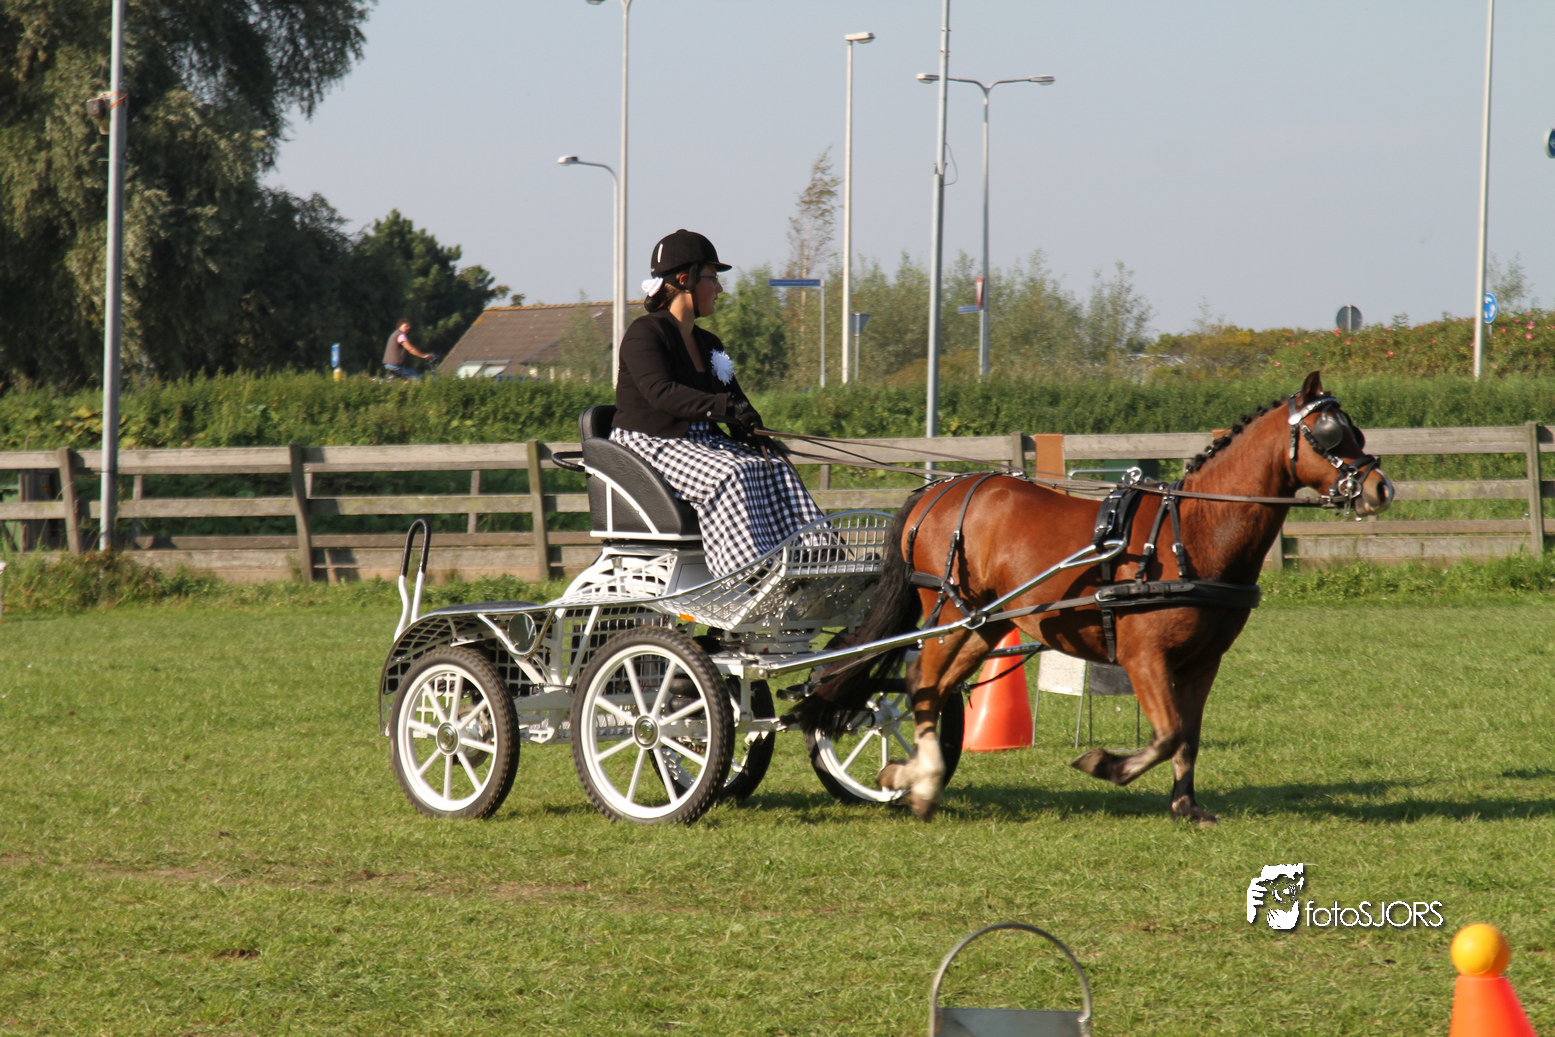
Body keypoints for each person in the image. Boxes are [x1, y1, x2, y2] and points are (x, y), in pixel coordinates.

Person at [610, 229, 826, 577]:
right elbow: (661, 393)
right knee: (731, 474)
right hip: (652, 442)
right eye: (713, 278)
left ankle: (816, 559)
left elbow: (733, 398)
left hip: (700, 442)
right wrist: (723, 408)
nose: (720, 289)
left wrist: (751, 427)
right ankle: (748, 575)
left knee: (774, 466)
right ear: (684, 280)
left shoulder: (708, 342)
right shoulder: (645, 333)